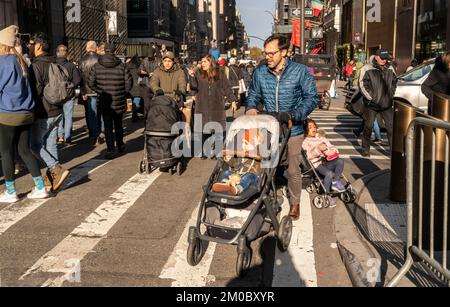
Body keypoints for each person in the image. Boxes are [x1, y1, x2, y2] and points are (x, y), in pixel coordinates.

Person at [245, 34, 318, 221]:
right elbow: (253, 93)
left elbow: (311, 97)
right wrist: (251, 107)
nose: (267, 56)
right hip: (268, 127)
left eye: (272, 53)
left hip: (293, 128)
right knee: (266, 166)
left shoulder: (300, 71)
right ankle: (266, 199)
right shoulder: (261, 72)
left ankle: (295, 203)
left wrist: (295, 115)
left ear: (284, 52)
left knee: (293, 169)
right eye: (265, 53)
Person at [0, 25, 49, 203]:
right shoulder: (21, 60)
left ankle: (11, 191)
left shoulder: (2, 61)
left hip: (7, 113)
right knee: (24, 150)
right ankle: (40, 187)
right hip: (26, 112)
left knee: (6, 152)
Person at [28, 32, 70, 192]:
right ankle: (54, 177)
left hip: (43, 112)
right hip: (58, 109)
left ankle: (55, 169)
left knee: (34, 145)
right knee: (51, 145)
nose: (29, 47)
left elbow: (35, 91)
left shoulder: (36, 65)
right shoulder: (55, 62)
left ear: (38, 46)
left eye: (31, 44)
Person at [88, 43, 133, 159]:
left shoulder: (97, 66)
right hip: (118, 99)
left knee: (107, 125)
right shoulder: (122, 66)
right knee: (118, 123)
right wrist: (124, 92)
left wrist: (100, 91)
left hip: (104, 100)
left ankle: (110, 149)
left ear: (104, 51)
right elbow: (129, 82)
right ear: (114, 51)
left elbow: (90, 82)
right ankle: (120, 144)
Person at [188, 55, 237, 158]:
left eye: (205, 61)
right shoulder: (198, 73)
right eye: (202, 62)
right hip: (202, 104)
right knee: (202, 129)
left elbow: (227, 87)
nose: (203, 64)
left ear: (211, 62)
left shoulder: (220, 74)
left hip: (217, 104)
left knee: (217, 129)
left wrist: (232, 101)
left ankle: (216, 150)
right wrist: (191, 76)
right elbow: (194, 86)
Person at [358, 49, 397, 157]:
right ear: (376, 57)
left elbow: (394, 81)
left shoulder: (390, 68)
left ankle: (393, 152)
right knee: (368, 126)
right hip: (372, 104)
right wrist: (371, 98)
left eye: (385, 58)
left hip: (387, 103)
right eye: (382, 58)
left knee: (391, 128)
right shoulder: (367, 68)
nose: (384, 60)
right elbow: (362, 84)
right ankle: (365, 149)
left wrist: (391, 94)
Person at [302, 119, 345, 208]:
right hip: (316, 164)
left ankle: (335, 182)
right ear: (305, 130)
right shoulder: (305, 141)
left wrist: (332, 150)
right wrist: (318, 149)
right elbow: (308, 156)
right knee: (329, 173)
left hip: (326, 161)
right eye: (310, 127)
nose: (313, 129)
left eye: (314, 126)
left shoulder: (321, 138)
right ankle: (327, 194)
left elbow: (331, 146)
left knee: (340, 161)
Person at [212, 129, 263, 196]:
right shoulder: (240, 153)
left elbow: (260, 154)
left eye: (246, 143)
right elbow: (234, 164)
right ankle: (225, 185)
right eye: (242, 142)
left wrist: (255, 145)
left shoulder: (258, 152)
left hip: (253, 175)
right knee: (227, 172)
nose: (242, 145)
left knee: (247, 177)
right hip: (238, 173)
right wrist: (228, 157)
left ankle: (238, 189)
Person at [79, 41, 105, 145]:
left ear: (87, 48)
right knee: (103, 112)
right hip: (101, 90)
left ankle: (95, 135)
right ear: (95, 48)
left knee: (92, 114)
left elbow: (80, 78)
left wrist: (83, 92)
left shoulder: (82, 60)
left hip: (88, 91)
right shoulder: (100, 59)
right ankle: (103, 131)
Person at [56, 44, 81, 145]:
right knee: (68, 116)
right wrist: (70, 85)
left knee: (58, 116)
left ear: (57, 53)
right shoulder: (71, 65)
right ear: (67, 53)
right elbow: (77, 80)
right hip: (69, 94)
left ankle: (60, 136)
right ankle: (67, 137)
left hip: (56, 94)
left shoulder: (52, 64)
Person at [126, 55, 143, 122]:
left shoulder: (127, 66)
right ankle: (134, 113)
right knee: (136, 99)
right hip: (137, 86)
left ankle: (130, 111)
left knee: (130, 99)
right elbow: (141, 76)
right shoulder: (139, 67)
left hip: (129, 86)